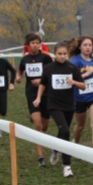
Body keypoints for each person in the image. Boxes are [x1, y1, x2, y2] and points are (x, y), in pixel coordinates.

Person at [33, 41, 85, 177]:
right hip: (54, 105)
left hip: (68, 105)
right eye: (59, 54)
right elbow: (43, 84)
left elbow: (83, 86)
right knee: (66, 131)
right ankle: (67, 166)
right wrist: (38, 98)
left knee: (63, 132)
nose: (62, 56)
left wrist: (74, 82)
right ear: (54, 54)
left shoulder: (72, 68)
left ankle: (55, 149)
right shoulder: (49, 68)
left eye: (64, 54)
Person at [16, 33, 53, 166]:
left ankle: (41, 131)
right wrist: (18, 77)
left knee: (45, 126)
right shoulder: (25, 60)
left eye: (37, 42)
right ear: (28, 45)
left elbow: (52, 73)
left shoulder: (46, 57)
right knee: (37, 125)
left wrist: (41, 80)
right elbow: (20, 71)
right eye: (33, 43)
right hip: (31, 93)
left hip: (46, 93)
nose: (35, 45)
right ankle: (40, 157)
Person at [70, 36, 93, 156]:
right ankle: (76, 143)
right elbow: (71, 79)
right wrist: (86, 73)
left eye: (90, 45)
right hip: (79, 97)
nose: (88, 47)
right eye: (85, 45)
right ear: (80, 47)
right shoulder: (75, 62)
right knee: (80, 126)